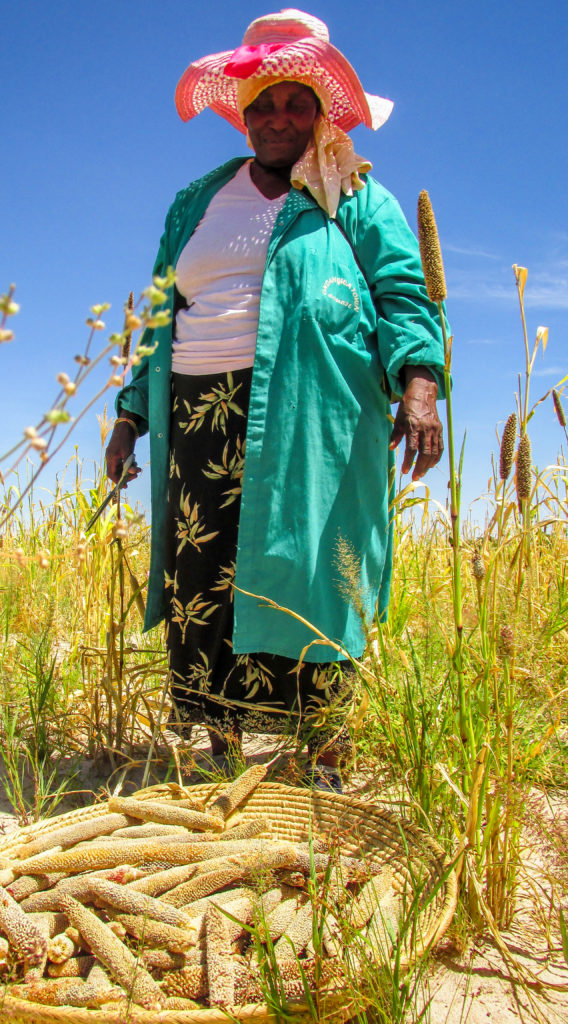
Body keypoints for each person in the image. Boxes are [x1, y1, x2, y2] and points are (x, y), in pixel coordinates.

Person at [106, 9, 445, 791]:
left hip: (309, 410)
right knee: (206, 572)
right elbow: (162, 311)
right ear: (243, 113)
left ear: (321, 108)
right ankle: (219, 751)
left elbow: (403, 291)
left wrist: (419, 383)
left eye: (295, 103)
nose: (278, 118)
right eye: (263, 104)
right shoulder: (198, 200)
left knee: (315, 564)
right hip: (195, 412)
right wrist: (131, 416)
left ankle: (323, 750)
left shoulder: (351, 190)